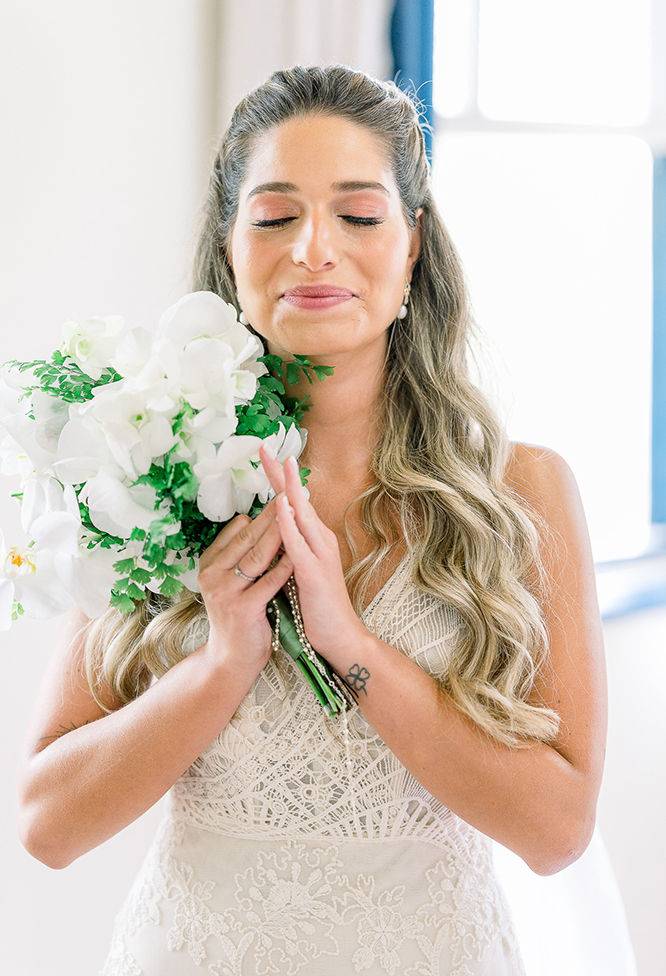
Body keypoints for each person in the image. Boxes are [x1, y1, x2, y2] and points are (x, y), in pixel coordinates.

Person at [17, 66, 606, 976]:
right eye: (277, 215)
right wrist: (222, 663)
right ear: (230, 247)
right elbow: (47, 825)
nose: (314, 250)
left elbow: (557, 831)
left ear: (412, 246)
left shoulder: (523, 493)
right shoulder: (146, 472)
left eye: (360, 217)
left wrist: (352, 646)